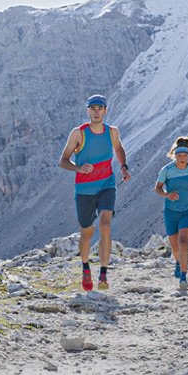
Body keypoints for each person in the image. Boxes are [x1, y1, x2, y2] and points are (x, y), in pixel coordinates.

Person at [58, 94, 130, 291]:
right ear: (88, 111)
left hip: (107, 185)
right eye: (93, 108)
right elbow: (63, 161)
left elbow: (119, 148)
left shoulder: (112, 132)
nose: (97, 112)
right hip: (84, 190)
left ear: (106, 111)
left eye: (100, 108)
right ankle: (85, 268)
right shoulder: (78, 133)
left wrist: (123, 167)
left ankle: (104, 274)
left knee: (105, 224)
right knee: (87, 232)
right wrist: (78, 168)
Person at [154, 136, 188, 292]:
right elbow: (157, 188)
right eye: (179, 155)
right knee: (175, 246)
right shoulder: (167, 170)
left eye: (185, 155)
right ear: (175, 155)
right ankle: (178, 262)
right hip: (171, 212)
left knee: (184, 242)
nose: (182, 158)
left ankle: (184, 277)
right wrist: (166, 195)